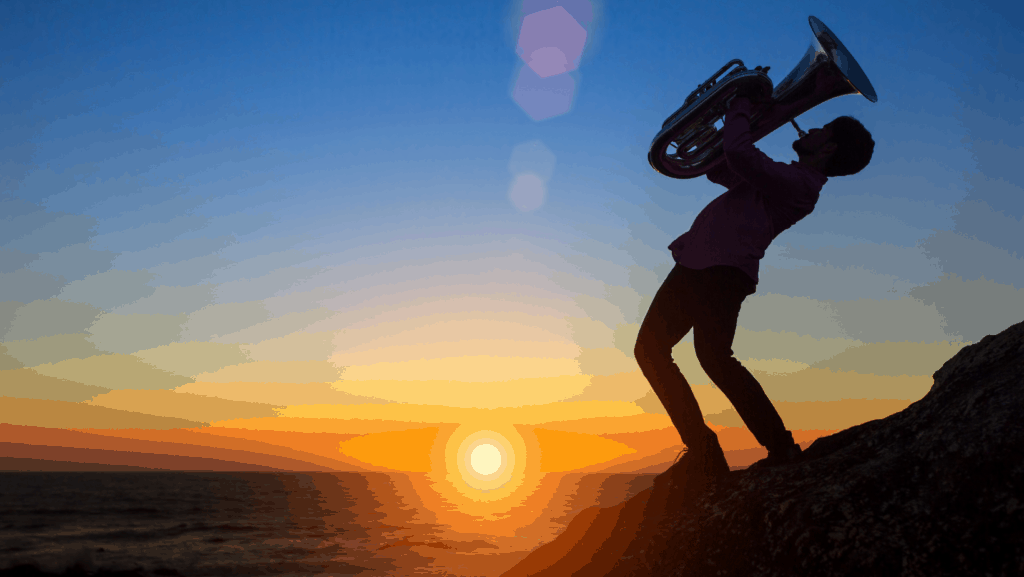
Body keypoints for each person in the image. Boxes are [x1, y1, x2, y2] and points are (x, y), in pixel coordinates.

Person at [634, 88, 875, 479]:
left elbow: (741, 156)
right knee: (688, 356)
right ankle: (748, 449)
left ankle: (721, 451)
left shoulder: (800, 185)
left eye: (821, 128)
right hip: (705, 265)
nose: (810, 127)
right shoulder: (786, 178)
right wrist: (719, 130)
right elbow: (722, 167)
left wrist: (739, 106)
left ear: (827, 148)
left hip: (718, 271)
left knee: (687, 356)